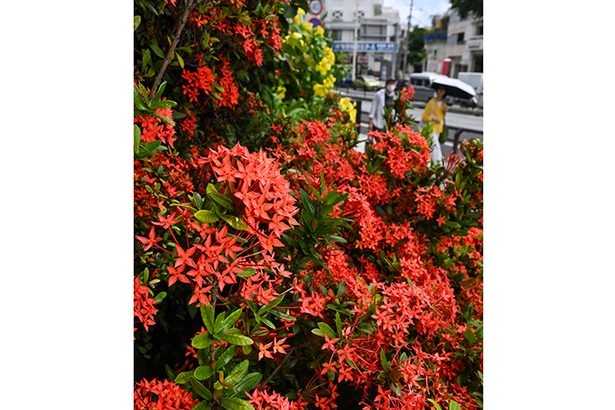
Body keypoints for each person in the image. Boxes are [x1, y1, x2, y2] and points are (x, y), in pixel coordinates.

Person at [421, 85, 447, 163]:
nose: (441, 92)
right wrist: (433, 118)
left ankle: (430, 162)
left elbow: (441, 117)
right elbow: (424, 116)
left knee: (432, 147)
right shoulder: (431, 102)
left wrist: (444, 112)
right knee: (436, 146)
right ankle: (438, 162)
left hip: (438, 128)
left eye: (443, 90)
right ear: (436, 91)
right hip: (431, 128)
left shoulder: (443, 104)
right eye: (439, 90)